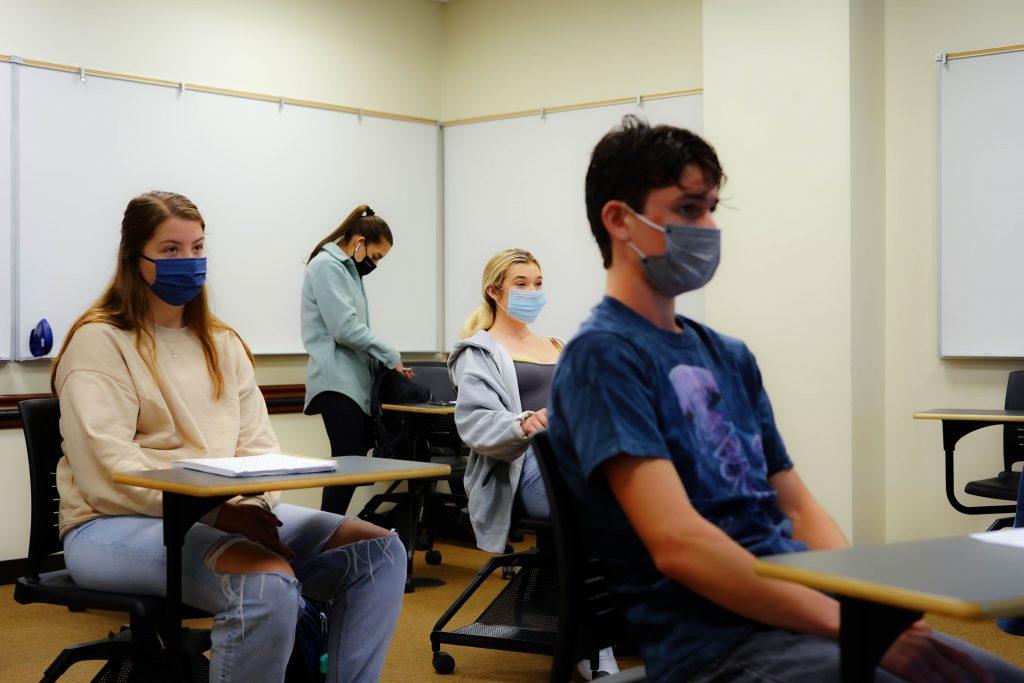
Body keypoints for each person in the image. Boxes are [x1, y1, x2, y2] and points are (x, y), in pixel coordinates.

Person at [546, 116, 1024, 683]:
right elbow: (679, 544)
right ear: (620, 220)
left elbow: (796, 507)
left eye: (712, 208)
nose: (709, 226)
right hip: (710, 645)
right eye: (689, 209)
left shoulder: (729, 355)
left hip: (796, 616)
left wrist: (863, 603)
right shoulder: (604, 356)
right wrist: (848, 626)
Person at [53, 191, 406, 683]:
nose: (189, 261)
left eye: (197, 247)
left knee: (380, 553)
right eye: (171, 250)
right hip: (110, 523)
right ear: (135, 258)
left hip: (223, 513)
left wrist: (254, 509)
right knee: (266, 583)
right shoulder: (100, 341)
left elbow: (258, 449)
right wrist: (223, 514)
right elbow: (111, 469)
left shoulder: (223, 343)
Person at [448, 248, 618, 680]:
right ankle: (592, 646)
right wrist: (525, 422)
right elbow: (475, 422)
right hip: (523, 468)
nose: (533, 292)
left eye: (538, 283)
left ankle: (641, 626)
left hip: (574, 458)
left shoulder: (558, 345)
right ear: (495, 291)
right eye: (521, 284)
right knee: (596, 510)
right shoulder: (479, 352)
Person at [302, 205, 414, 515]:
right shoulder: (328, 266)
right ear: (360, 241)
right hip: (336, 382)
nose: (375, 264)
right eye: (376, 256)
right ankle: (325, 535)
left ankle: (329, 533)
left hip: (353, 382)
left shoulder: (348, 269)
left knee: (350, 462)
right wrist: (391, 355)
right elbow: (345, 329)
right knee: (347, 461)